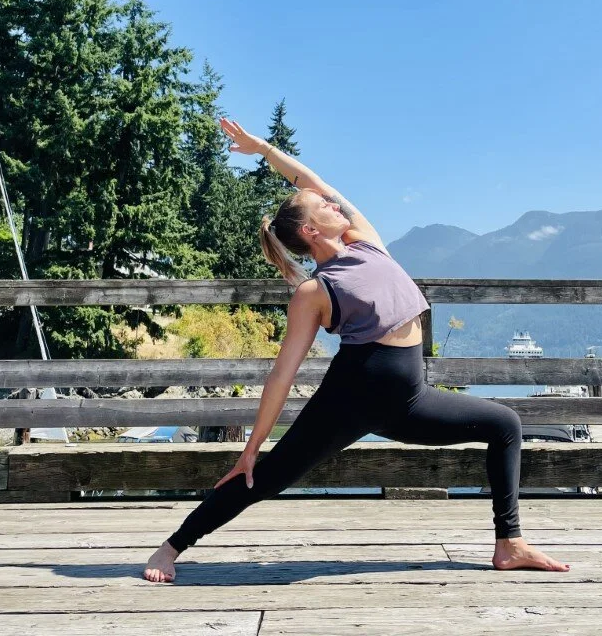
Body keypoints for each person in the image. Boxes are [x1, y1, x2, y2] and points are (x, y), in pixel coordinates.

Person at [143, 117, 568, 582]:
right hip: (350, 398)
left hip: (410, 397)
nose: (332, 200)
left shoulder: (367, 244)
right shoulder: (315, 291)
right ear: (308, 230)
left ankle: (509, 544)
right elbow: (282, 374)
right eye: (322, 205)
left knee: (505, 424)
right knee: (264, 477)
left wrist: (263, 148)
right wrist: (252, 446)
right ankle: (170, 547)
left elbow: (311, 181)